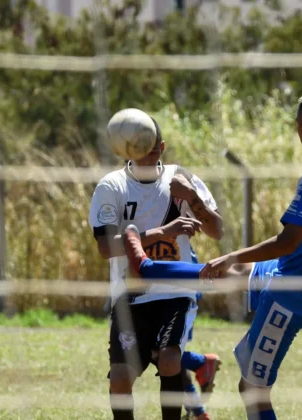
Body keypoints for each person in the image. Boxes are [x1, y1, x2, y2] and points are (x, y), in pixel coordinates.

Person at [121, 91, 302, 420]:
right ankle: (148, 269)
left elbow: (288, 241)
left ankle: (150, 271)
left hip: (291, 296)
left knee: (252, 391)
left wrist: (229, 255)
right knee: (234, 272)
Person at [89, 115, 223, 420]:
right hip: (131, 296)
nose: (146, 152)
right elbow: (105, 247)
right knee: (121, 378)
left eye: (151, 146)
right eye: (138, 147)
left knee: (170, 359)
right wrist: (164, 233)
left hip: (175, 292)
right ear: (126, 149)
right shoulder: (112, 186)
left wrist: (192, 197)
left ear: (161, 146)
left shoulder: (181, 179)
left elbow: (217, 230)